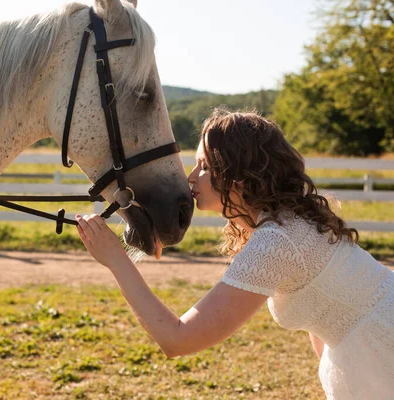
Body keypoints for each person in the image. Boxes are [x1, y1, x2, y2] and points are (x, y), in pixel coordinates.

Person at [75, 108, 394, 399]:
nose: (190, 177)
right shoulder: (290, 220)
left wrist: (117, 260)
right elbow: (324, 313)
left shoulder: (277, 241)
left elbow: (178, 339)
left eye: (204, 166)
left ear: (238, 175)